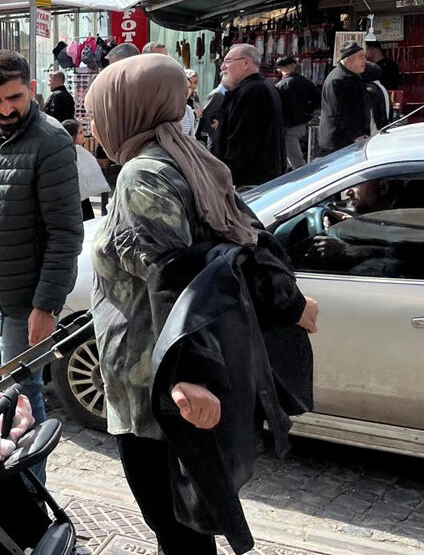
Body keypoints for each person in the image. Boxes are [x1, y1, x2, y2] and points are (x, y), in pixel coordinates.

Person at [85, 53, 318, 555]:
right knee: (187, 530)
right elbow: (245, 242)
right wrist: (287, 301)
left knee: (177, 532)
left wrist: (188, 375)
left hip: (154, 390)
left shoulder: (142, 174)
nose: (93, 125)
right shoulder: (190, 158)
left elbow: (177, 276)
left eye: (97, 112)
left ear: (128, 109)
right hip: (179, 378)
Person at [0, 49, 83, 485]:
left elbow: (66, 235)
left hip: (27, 301)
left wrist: (46, 306)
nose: (6, 109)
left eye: (14, 97)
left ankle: (31, 495)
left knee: (22, 399)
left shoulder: (50, 141)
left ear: (31, 89)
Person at [211, 44, 284, 187]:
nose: (223, 67)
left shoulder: (251, 92)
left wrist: (226, 179)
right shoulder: (259, 88)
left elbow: (241, 144)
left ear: (246, 63)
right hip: (260, 179)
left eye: (228, 62)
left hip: (248, 183)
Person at [318, 42, 372, 156]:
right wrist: (356, 135)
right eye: (361, 57)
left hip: (351, 139)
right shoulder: (337, 80)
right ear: (348, 60)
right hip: (340, 142)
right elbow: (342, 113)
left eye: (364, 57)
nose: (365, 61)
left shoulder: (353, 76)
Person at [273, 56, 320, 170]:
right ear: (294, 66)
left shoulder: (280, 86)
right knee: (292, 155)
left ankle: (304, 175)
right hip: (303, 120)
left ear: (279, 69)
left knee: (295, 159)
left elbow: (276, 107)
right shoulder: (304, 81)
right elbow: (317, 98)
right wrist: (309, 110)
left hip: (288, 124)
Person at [61, 119, 110, 221]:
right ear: (71, 136)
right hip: (75, 199)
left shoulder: (70, 151)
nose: (84, 134)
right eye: (80, 132)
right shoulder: (75, 152)